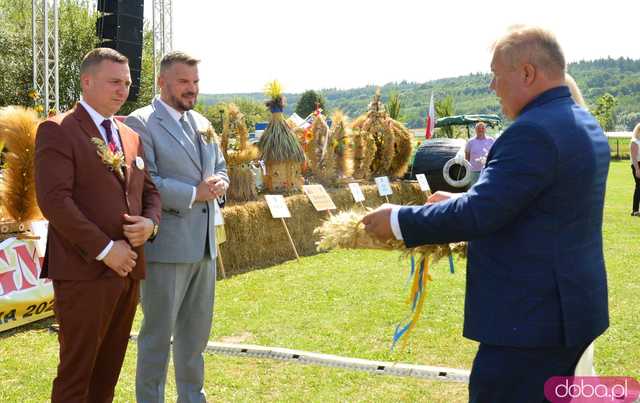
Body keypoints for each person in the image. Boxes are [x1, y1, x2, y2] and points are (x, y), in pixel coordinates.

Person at [362, 25, 610, 402]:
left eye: (496, 75)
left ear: (527, 73)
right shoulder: (580, 122)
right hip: (567, 312)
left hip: (530, 324)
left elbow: (480, 214)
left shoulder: (533, 132)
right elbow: (531, 205)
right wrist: (459, 202)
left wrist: (398, 219)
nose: (492, 87)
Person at [35, 48, 162, 402]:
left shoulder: (129, 135)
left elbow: (150, 191)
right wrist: (107, 250)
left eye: (127, 83)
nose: (123, 90)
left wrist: (149, 225)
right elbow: (55, 202)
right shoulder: (58, 130)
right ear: (87, 82)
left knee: (107, 374)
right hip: (84, 273)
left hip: (129, 272)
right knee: (77, 376)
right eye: (114, 82)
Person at [125, 51, 229, 403]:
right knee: (157, 337)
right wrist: (194, 193)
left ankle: (192, 398)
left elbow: (222, 167)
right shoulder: (141, 122)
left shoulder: (201, 122)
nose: (192, 89)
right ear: (162, 82)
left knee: (196, 337)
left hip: (205, 247)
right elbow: (146, 181)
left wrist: (221, 184)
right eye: (184, 81)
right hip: (165, 247)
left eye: (196, 82)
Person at [630, 123, 640, 216]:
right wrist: (637, 169)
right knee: (639, 187)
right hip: (637, 165)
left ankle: (636, 210)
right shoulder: (635, 141)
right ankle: (635, 210)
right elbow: (634, 158)